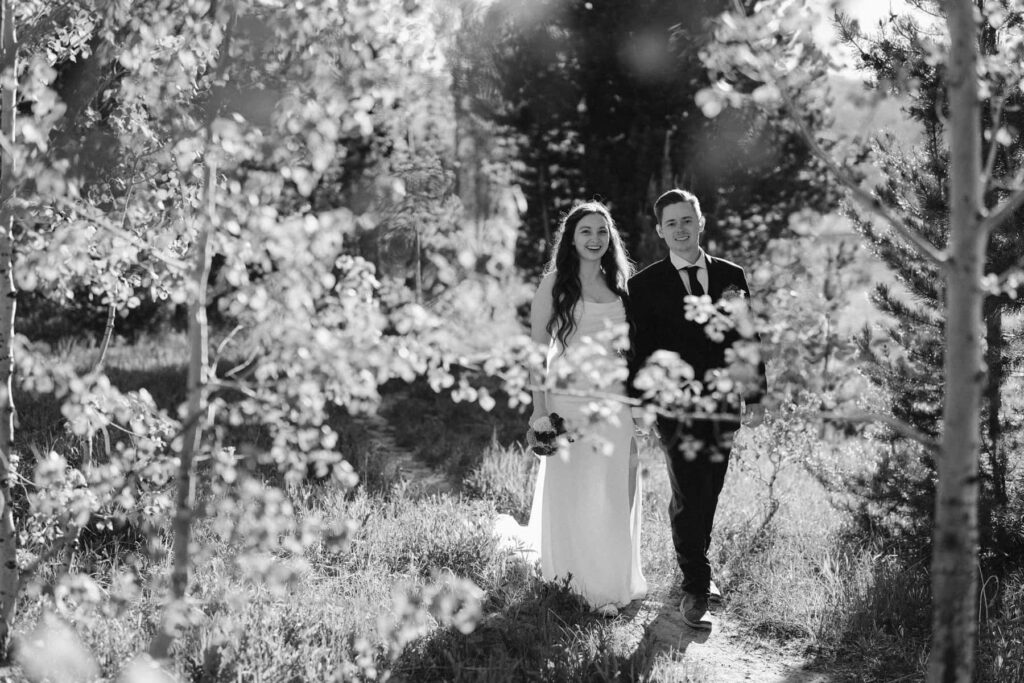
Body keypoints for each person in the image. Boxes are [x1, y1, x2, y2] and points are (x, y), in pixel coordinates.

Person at [495, 200, 647, 617]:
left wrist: (637, 405)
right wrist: (539, 410)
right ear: (572, 238)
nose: (595, 239)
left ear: (610, 238)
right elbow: (536, 349)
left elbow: (633, 351)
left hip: (614, 401)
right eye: (587, 231)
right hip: (567, 402)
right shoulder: (555, 284)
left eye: (602, 231)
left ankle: (615, 580)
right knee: (575, 490)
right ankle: (576, 584)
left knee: (614, 489)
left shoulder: (621, 283)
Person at [627, 188, 766, 630]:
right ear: (660, 231)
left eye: (687, 220)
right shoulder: (643, 285)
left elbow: (746, 338)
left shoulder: (731, 274)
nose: (681, 229)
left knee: (711, 486)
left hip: (724, 402)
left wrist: (756, 396)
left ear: (700, 222)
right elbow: (639, 352)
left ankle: (697, 565)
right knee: (689, 488)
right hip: (675, 407)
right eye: (672, 223)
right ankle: (695, 585)